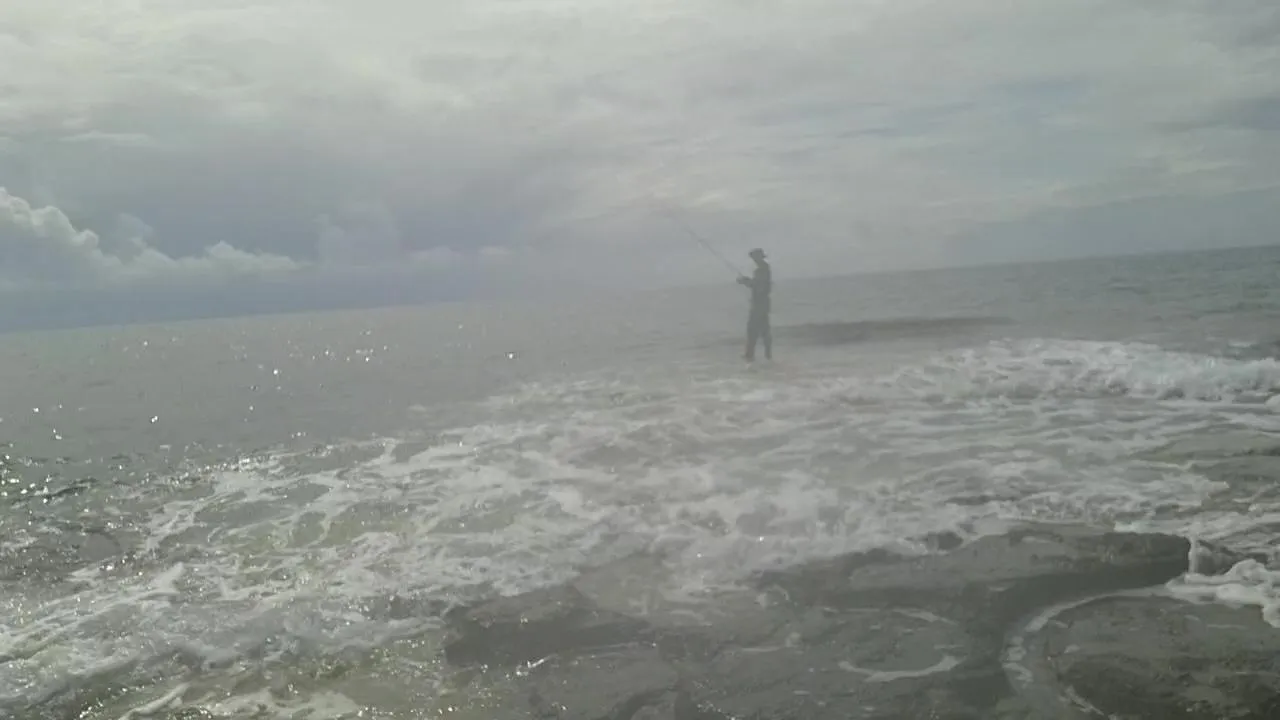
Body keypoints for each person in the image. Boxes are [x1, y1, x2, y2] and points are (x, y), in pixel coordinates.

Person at [736, 248, 772, 361]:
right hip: (762, 303)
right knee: (763, 329)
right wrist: (747, 281)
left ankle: (751, 355)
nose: (754, 260)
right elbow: (758, 284)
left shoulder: (762, 270)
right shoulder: (764, 269)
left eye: (755, 257)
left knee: (753, 329)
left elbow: (758, 286)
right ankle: (766, 355)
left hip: (759, 304)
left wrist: (745, 281)